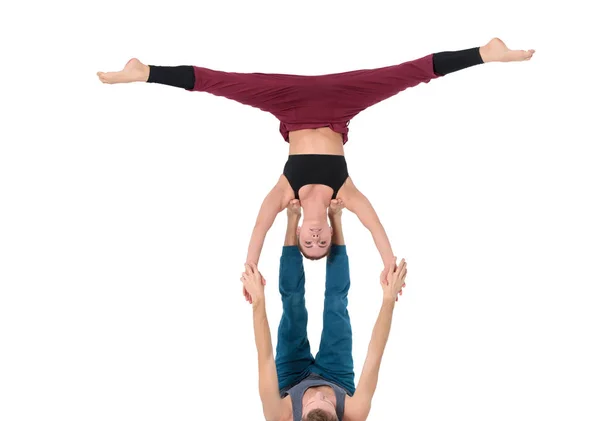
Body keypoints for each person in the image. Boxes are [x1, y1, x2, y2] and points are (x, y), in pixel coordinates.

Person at [97, 38, 534, 266]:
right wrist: (387, 264)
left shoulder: (285, 193)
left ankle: (145, 71)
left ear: (300, 236)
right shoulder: (346, 193)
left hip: (288, 102)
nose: (315, 238)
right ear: (329, 233)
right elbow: (375, 225)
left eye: (309, 244)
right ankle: (486, 52)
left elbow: (260, 227)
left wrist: (252, 267)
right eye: (322, 243)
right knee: (408, 74)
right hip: (340, 104)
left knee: (221, 81)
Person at [240, 199, 407, 421]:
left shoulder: (280, 415)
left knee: (293, 307)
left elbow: (266, 357)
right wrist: (389, 298)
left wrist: (258, 301)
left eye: (311, 401)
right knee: (336, 304)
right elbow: (374, 355)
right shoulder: (353, 413)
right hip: (337, 376)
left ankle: (292, 220)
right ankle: (336, 219)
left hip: (291, 378)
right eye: (326, 400)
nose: (318, 391)